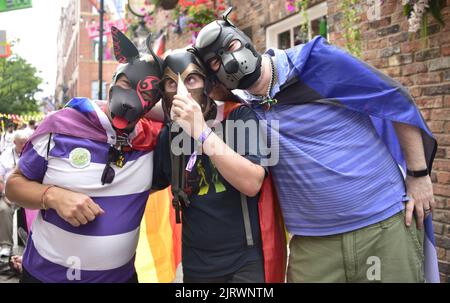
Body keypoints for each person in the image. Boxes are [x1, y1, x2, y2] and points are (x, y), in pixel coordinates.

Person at [193, 8, 439, 282]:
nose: (229, 61)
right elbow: (172, 103)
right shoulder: (238, 105)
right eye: (215, 62)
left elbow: (393, 99)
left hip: (382, 227)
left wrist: (418, 175)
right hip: (313, 247)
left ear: (243, 38)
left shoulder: (316, 63)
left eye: (231, 46)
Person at [5, 27, 163, 283]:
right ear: (112, 82)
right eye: (125, 84)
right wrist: (52, 196)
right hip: (45, 276)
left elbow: (199, 113)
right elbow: (13, 187)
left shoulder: (151, 140)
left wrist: (154, 105)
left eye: (146, 93)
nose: (129, 99)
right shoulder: (60, 125)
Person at [152, 50, 286, 283]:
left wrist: (202, 132)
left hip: (244, 262)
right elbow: (141, 184)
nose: (182, 91)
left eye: (191, 79)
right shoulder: (169, 136)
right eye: (171, 84)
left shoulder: (238, 118)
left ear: (207, 82)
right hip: (197, 265)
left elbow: (252, 183)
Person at [0, 130, 31, 259]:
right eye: (21, 143)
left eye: (26, 142)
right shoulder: (6, 155)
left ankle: (32, 244)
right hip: (9, 193)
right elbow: (0, 177)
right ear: (14, 143)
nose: (24, 145)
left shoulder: (32, 152)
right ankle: (6, 245)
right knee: (3, 209)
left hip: (29, 192)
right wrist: (4, 193)